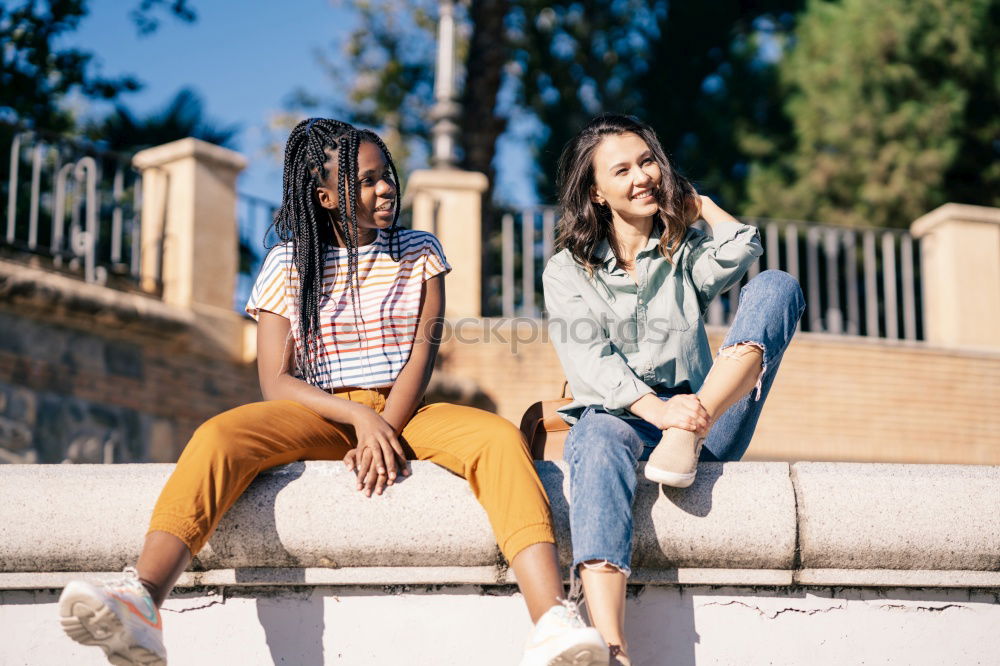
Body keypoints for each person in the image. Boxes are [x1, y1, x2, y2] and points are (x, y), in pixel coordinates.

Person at [58, 118, 608, 666]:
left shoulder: (421, 251)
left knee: (495, 437)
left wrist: (384, 425)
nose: (386, 187)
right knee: (219, 434)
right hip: (320, 413)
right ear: (325, 196)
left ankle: (550, 621)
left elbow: (422, 353)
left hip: (407, 410)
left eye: (387, 176)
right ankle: (143, 601)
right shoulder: (286, 263)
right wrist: (356, 419)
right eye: (367, 180)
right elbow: (275, 380)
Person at [543, 113, 805, 665]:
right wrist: (661, 413)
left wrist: (701, 205)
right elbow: (591, 361)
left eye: (647, 162)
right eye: (623, 169)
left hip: (704, 419)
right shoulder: (567, 271)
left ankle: (691, 425)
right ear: (596, 191)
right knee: (593, 439)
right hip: (628, 417)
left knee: (779, 286)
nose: (642, 176)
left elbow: (742, 249)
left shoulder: (682, 254)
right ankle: (611, 647)